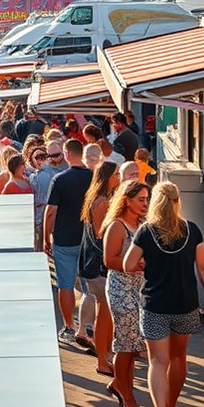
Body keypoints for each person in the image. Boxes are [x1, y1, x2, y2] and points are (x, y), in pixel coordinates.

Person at [124, 182, 204, 407]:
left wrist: (145, 264)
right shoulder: (192, 229)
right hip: (185, 304)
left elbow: (128, 264)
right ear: (178, 202)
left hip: (154, 305)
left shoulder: (146, 231)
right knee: (178, 358)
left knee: (157, 362)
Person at [103, 180, 151, 407]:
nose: (145, 204)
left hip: (140, 289)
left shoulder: (141, 224)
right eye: (140, 199)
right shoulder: (117, 226)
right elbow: (109, 261)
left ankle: (117, 384)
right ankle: (127, 394)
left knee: (135, 344)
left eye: (146, 199)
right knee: (125, 344)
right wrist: (137, 264)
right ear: (127, 200)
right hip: (121, 290)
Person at [43, 139, 93, 347]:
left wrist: (46, 237)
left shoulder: (60, 179)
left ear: (66, 153)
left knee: (65, 285)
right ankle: (88, 325)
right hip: (88, 240)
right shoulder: (93, 177)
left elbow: (51, 211)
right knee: (90, 287)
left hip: (64, 239)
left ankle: (69, 327)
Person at [80, 162, 120, 378]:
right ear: (107, 177)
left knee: (104, 314)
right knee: (104, 315)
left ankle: (106, 355)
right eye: (116, 174)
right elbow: (100, 234)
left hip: (93, 266)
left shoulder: (95, 198)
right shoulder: (102, 201)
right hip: (99, 268)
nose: (119, 178)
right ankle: (102, 362)